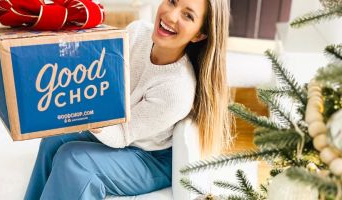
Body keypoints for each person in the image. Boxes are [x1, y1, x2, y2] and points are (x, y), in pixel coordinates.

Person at [24, 0, 231, 199]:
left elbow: (122, 134)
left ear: (199, 35)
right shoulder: (136, 32)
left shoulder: (176, 89)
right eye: (172, 1)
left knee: (74, 160)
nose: (171, 15)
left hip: (151, 157)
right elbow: (106, 81)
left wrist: (87, 111)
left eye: (187, 15)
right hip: (126, 131)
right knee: (54, 138)